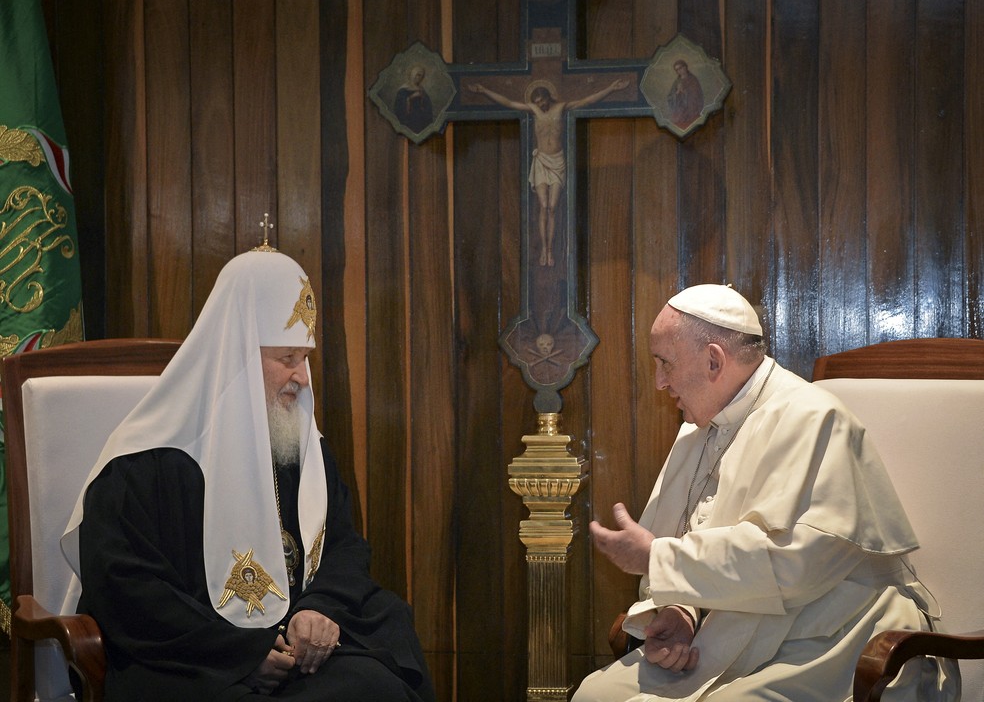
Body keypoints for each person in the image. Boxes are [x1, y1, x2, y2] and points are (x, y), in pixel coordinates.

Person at [60, 247, 436, 701]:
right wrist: (241, 653)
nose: (302, 376)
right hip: (192, 663)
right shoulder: (145, 462)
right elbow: (124, 592)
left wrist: (318, 611)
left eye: (305, 357)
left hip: (297, 655)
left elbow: (344, 547)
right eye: (287, 357)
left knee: (380, 678)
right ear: (234, 353)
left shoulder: (302, 448)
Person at [572, 284, 957, 701]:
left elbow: (791, 566)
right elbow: (697, 542)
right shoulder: (697, 431)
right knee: (596, 694)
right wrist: (682, 610)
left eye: (665, 363)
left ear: (714, 360)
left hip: (830, 636)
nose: (660, 382)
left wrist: (656, 557)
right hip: (728, 628)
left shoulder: (812, 417)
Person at [468, 78, 628, 267]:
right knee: (543, 206)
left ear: (547, 97)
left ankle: (551, 249)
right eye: (536, 103)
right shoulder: (534, 110)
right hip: (541, 161)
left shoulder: (561, 108)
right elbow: (508, 103)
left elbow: (588, 100)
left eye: (542, 101)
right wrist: (484, 90)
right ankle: (544, 249)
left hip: (558, 161)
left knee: (553, 207)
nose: (540, 105)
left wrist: (610, 87)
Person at [394, 64, 434, 134]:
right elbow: (399, 109)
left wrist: (423, 100)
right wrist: (410, 98)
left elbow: (428, 108)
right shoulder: (403, 90)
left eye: (421, 75)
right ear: (411, 73)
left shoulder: (422, 90)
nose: (418, 77)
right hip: (409, 121)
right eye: (417, 74)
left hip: (421, 121)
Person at [666, 59, 703, 129]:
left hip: (691, 110)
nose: (679, 71)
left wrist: (684, 91)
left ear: (685, 67)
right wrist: (677, 93)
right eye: (676, 70)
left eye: (680, 68)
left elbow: (697, 95)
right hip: (679, 110)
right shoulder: (676, 81)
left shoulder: (693, 79)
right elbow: (670, 97)